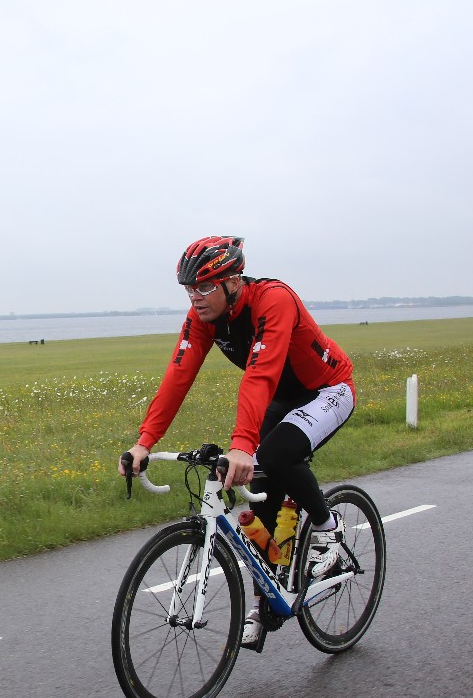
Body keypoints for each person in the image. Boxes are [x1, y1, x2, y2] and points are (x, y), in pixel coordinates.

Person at [119, 236, 355, 649]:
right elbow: (178, 376)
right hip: (282, 398)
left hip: (327, 389)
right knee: (260, 496)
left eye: (205, 287)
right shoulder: (203, 317)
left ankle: (327, 529)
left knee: (276, 456)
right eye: (189, 289)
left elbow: (260, 375)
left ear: (233, 282)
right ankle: (267, 600)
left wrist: (243, 445)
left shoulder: (274, 300)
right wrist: (144, 442)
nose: (196, 297)